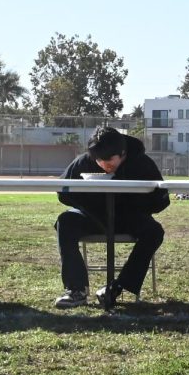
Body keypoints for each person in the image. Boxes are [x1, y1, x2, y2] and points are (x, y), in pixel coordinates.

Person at [54, 126, 169, 309]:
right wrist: (88, 201)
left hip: (129, 218)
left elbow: (162, 200)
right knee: (65, 222)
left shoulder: (142, 163)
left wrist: (135, 201)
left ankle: (116, 288)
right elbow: (63, 191)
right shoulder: (83, 162)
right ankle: (76, 290)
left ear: (122, 153)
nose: (103, 164)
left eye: (108, 160)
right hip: (94, 217)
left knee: (154, 232)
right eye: (98, 159)